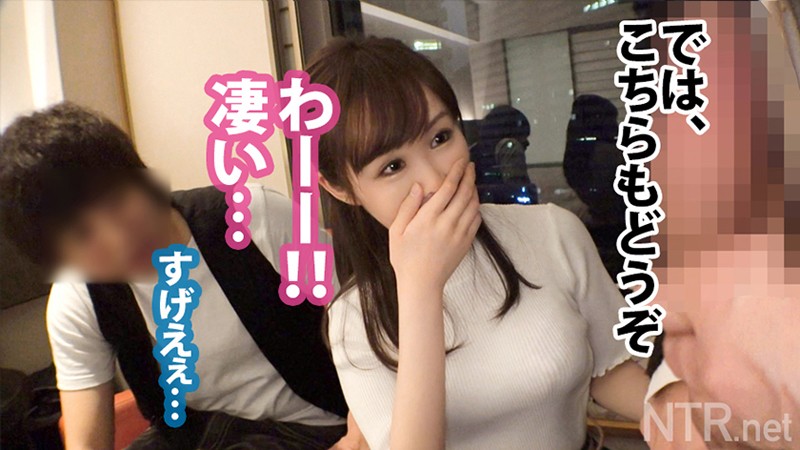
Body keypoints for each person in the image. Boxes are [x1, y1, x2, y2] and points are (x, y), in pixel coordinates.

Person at [309, 36, 650, 450]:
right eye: (392, 166)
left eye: (440, 138)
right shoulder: (354, 317)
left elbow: (608, 370)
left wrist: (693, 422)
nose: (435, 180)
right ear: (341, 188)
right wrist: (420, 288)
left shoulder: (553, 232)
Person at [0, 103, 362, 449]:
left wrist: (362, 432)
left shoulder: (251, 218)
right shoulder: (78, 298)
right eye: (82, 234)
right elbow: (86, 442)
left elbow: (374, 327)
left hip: (317, 426)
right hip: (194, 434)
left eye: (116, 201)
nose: (119, 239)